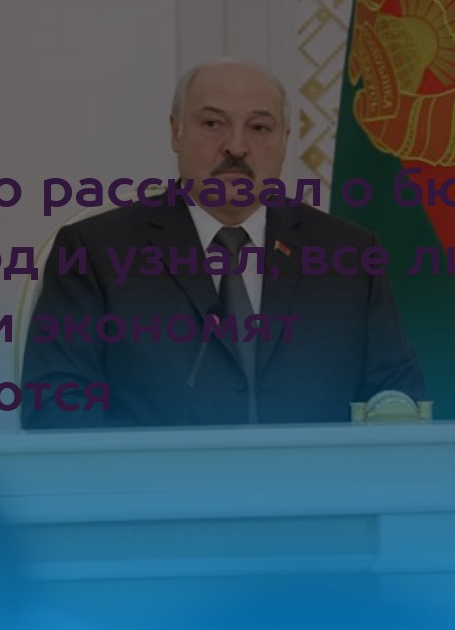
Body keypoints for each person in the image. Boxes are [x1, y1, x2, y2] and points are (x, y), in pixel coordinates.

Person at [21, 58, 425, 429]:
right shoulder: (94, 253)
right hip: (156, 486)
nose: (236, 146)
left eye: (259, 128)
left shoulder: (350, 255)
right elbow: (57, 407)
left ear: (285, 140)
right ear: (175, 132)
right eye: (213, 123)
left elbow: (397, 400)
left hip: (313, 484)